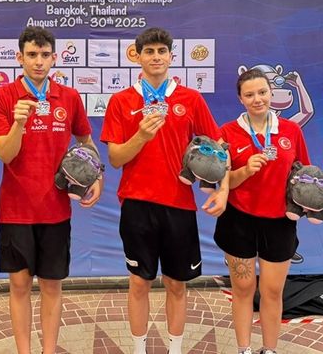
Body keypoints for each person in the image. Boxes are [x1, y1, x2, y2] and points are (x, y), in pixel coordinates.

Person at [100, 27, 229, 354]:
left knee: (176, 283)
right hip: (137, 204)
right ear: (137, 57)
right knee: (138, 282)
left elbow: (219, 148)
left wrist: (223, 189)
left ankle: (175, 350)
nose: (156, 57)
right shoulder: (121, 100)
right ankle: (139, 350)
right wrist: (141, 136)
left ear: (171, 57)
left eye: (161, 51)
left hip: (179, 205)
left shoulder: (191, 99)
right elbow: (115, 158)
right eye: (149, 51)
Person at [0, 27, 101, 354]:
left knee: (52, 286)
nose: (39, 61)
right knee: (19, 285)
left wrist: (97, 176)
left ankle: (48, 350)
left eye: (45, 55)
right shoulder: (3, 97)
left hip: (56, 209)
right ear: (19, 57)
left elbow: (86, 141)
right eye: (32, 55)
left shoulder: (69, 97)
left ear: (54, 58)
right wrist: (19, 123)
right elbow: (5, 154)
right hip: (16, 209)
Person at [215, 68, 311, 354]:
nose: (257, 99)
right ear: (240, 99)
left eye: (262, 92)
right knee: (243, 289)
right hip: (239, 220)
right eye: (249, 95)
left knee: (272, 291)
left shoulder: (291, 131)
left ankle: (269, 349)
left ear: (271, 93)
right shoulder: (226, 133)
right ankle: (244, 349)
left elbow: (304, 176)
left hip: (279, 223)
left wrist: (315, 200)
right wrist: (245, 170)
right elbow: (223, 182)